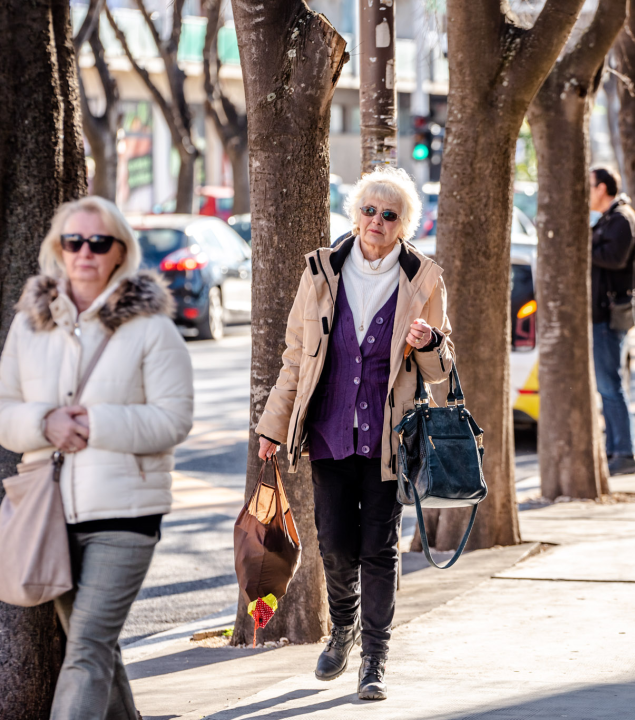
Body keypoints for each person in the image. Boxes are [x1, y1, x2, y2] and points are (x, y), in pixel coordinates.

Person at [0, 196, 194, 720]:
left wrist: (94, 424)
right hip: (49, 514)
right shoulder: (30, 324)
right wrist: (44, 423)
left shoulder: (152, 328)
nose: (85, 252)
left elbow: (173, 420)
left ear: (120, 251)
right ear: (57, 248)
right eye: (73, 241)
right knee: (96, 645)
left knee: (85, 651)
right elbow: (0, 409)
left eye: (98, 242)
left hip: (125, 514)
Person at [255, 166, 454, 701]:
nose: (377, 221)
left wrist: (430, 341)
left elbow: (440, 371)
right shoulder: (321, 271)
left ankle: (375, 658)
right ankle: (343, 629)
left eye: (390, 215)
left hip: (389, 439)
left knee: (379, 548)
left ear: (404, 224)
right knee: (337, 545)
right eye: (369, 210)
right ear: (355, 214)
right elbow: (296, 356)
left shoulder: (424, 279)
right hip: (329, 430)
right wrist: (273, 426)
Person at [589, 167, 635, 477]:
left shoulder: (621, 219)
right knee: (607, 385)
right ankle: (615, 449)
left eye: (590, 185)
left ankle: (624, 452)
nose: (587, 191)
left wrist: (586, 245)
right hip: (603, 314)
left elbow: (615, 258)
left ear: (603, 188)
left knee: (611, 386)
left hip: (609, 316)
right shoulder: (610, 219)